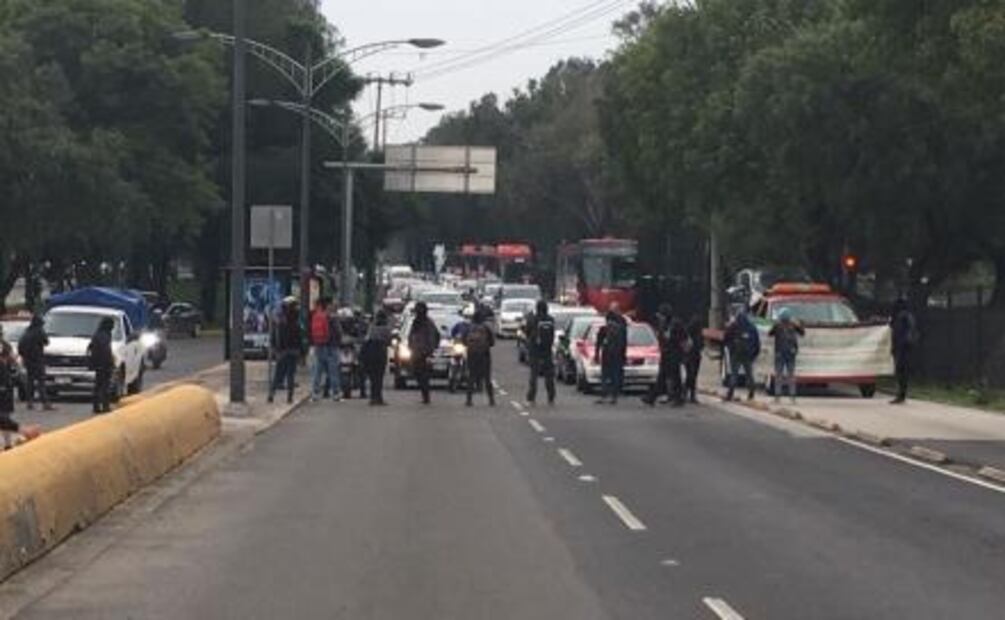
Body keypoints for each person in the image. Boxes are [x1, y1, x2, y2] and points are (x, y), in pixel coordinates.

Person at [268, 297, 302, 404]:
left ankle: (271, 395)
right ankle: (289, 397)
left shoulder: (280, 321)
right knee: (290, 375)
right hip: (293, 350)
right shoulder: (295, 320)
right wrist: (301, 351)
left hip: (282, 351)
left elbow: (275, 336)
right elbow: (299, 336)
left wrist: (274, 348)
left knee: (278, 374)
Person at [768, 308, 805, 404]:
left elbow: (769, 333)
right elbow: (802, 333)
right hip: (791, 353)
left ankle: (777, 397)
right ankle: (792, 397)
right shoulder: (793, 325)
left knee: (778, 376)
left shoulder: (777, 326)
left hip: (779, 353)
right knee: (791, 375)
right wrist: (799, 324)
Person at [723, 309, 760, 402]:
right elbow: (757, 343)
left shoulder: (733, 326)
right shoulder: (751, 327)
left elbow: (725, 338)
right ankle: (751, 393)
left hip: (735, 354)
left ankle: (730, 394)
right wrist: (754, 354)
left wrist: (730, 348)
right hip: (748, 354)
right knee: (749, 374)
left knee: (734, 374)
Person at [594, 302, 628, 405]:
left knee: (605, 374)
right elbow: (624, 341)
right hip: (617, 353)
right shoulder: (622, 326)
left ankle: (604, 395)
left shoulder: (604, 328)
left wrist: (597, 354)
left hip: (607, 352)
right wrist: (623, 354)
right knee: (615, 375)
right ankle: (614, 396)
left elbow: (599, 341)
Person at [524, 300, 556, 405]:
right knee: (549, 375)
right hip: (547, 350)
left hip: (535, 349)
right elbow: (552, 334)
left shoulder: (533, 319)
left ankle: (531, 397)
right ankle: (551, 396)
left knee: (534, 374)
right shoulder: (551, 319)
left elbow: (527, 332)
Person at [18, 315, 53, 411]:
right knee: (41, 382)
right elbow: (46, 342)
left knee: (30, 382)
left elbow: (20, 347)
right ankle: (45, 403)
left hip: (28, 361)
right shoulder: (39, 331)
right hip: (38, 360)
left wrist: (25, 356)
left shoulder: (26, 332)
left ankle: (30, 402)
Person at [408, 302, 440, 405]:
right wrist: (410, 345)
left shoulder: (428, 323)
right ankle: (425, 395)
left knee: (423, 375)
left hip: (424, 352)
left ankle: (426, 396)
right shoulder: (415, 322)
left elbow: (435, 336)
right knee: (417, 373)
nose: (418, 313)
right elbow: (411, 335)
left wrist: (431, 349)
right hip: (416, 352)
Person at [464, 305, 496, 407]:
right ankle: (491, 400)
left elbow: (464, 341)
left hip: (472, 354)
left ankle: (469, 400)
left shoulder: (469, 328)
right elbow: (492, 342)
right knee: (487, 378)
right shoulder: (486, 328)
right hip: (484, 354)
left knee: (471, 376)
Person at [309, 298, 341, 402]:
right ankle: (335, 393)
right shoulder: (332, 317)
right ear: (328, 305)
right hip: (331, 346)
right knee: (333, 371)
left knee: (318, 371)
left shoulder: (316, 316)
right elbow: (338, 332)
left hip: (319, 345)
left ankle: (315, 393)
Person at [643, 304, 674, 406]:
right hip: (666, 354)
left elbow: (669, 338)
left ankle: (653, 397)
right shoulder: (664, 325)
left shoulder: (670, 325)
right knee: (664, 378)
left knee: (667, 377)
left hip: (670, 355)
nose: (659, 318)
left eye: (661, 316)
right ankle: (653, 397)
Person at [889, 298, 918, 404]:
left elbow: (901, 333)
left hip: (903, 347)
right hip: (904, 347)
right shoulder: (905, 316)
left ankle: (901, 394)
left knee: (901, 371)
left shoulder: (903, 317)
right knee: (901, 371)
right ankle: (901, 394)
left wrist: (900, 345)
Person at [361, 310, 393, 406]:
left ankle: (373, 398)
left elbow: (366, 339)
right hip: (380, 353)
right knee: (379, 377)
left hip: (370, 353)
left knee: (372, 377)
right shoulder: (386, 329)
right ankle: (378, 398)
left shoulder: (372, 328)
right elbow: (389, 341)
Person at [87, 317, 115, 414]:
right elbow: (106, 350)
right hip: (104, 364)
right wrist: (110, 362)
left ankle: (96, 407)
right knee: (105, 386)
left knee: (98, 386)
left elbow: (91, 348)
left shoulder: (97, 334)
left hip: (98, 363)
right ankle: (105, 407)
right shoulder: (105, 335)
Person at [0, 331, 21, 448]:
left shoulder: (5, 345)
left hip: (5, 386)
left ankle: (8, 444)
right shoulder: (5, 345)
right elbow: (14, 362)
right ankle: (7, 444)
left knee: (4, 417)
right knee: (4, 416)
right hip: (4, 387)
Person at [684, 316, 705, 404]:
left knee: (691, 376)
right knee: (692, 376)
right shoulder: (696, 334)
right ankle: (690, 394)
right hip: (693, 357)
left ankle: (686, 393)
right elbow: (702, 345)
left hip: (691, 356)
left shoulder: (689, 334)